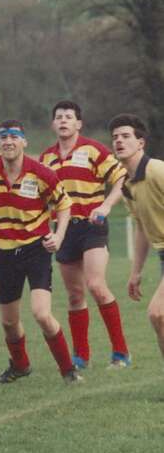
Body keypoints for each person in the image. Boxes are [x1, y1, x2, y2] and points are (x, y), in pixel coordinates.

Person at [0, 120, 81, 383]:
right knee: (9, 323)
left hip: (36, 249)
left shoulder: (41, 173)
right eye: (4, 136)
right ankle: (20, 366)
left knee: (42, 313)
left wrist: (58, 235)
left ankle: (68, 371)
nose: (8, 141)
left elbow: (65, 205)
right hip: (4, 253)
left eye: (14, 136)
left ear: (24, 142)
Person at [40, 101, 130, 369]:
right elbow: (43, 200)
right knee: (74, 296)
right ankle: (81, 356)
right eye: (59, 117)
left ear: (79, 124)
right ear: (53, 124)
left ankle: (121, 352)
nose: (64, 120)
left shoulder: (93, 149)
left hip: (92, 225)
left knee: (96, 286)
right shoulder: (46, 158)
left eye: (69, 117)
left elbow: (121, 177)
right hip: (64, 230)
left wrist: (105, 205)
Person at [110, 114, 164, 358]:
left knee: (157, 314)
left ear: (140, 142)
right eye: (115, 137)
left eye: (125, 136)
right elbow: (141, 227)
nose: (119, 141)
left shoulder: (157, 170)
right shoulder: (127, 185)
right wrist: (135, 272)